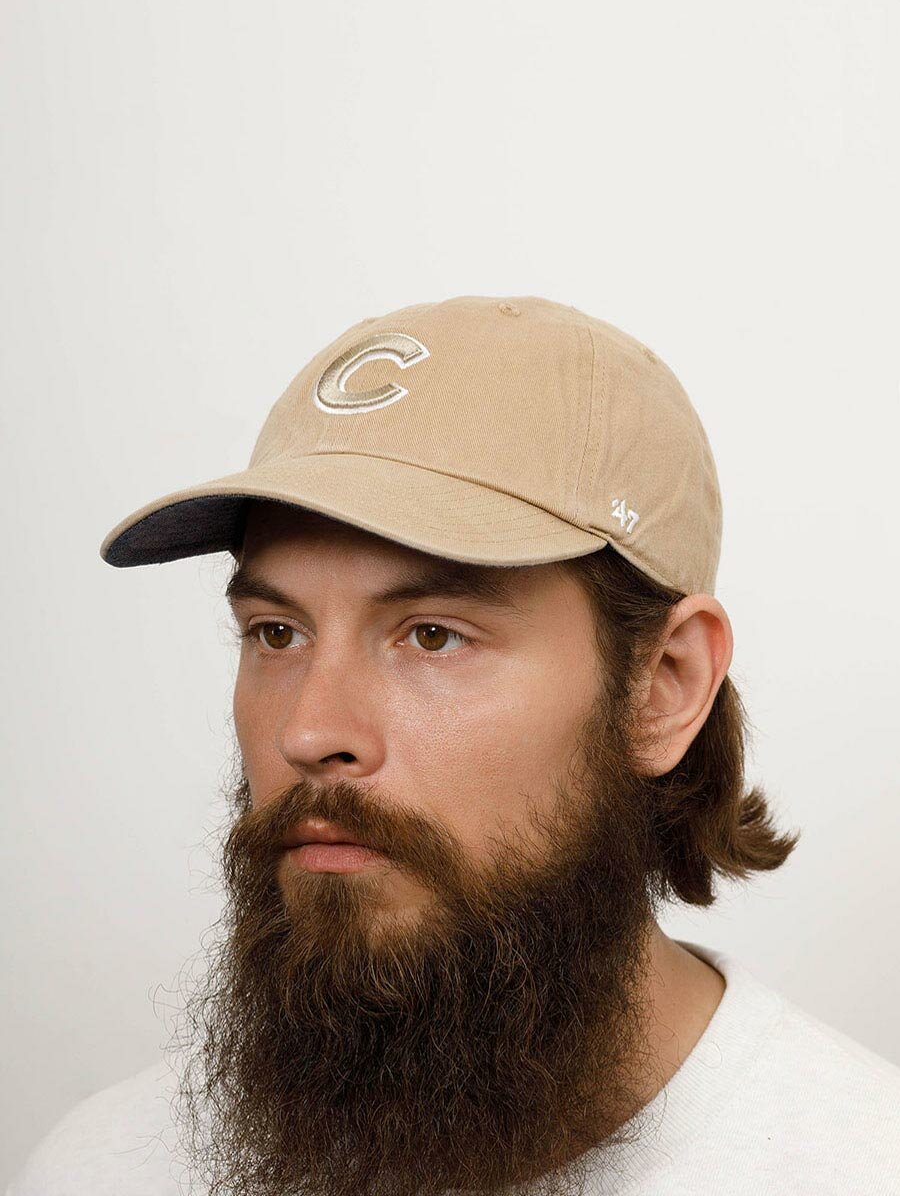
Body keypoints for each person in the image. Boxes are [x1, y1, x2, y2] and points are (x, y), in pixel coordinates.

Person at [9, 296, 899, 1196]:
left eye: (433, 635)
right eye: (277, 633)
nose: (309, 732)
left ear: (664, 687)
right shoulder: (100, 1169)